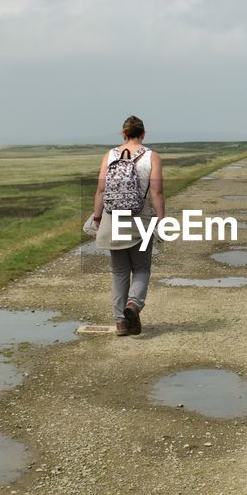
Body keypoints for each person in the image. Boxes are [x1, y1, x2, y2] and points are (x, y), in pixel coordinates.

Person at [91, 115, 164, 336]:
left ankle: (121, 323)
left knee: (120, 271)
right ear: (143, 134)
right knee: (141, 267)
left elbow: (101, 190)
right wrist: (161, 218)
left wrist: (97, 216)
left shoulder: (110, 155)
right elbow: (156, 192)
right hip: (140, 218)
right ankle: (133, 305)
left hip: (113, 218)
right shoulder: (152, 156)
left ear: (123, 134)